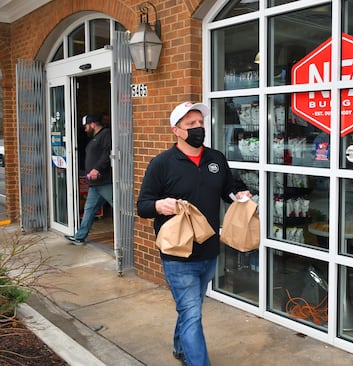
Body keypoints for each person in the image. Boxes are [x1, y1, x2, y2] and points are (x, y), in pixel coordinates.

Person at [137, 102, 251, 366]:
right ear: (176, 130)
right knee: (191, 313)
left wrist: (240, 194)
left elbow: (228, 189)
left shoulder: (216, 159)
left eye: (201, 123)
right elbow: (143, 205)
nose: (199, 128)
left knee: (191, 310)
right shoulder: (161, 164)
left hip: (209, 250)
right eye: (191, 125)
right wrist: (158, 205)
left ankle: (180, 347)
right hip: (178, 254)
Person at [65, 114, 113, 245]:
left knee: (118, 206)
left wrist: (97, 169)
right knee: (89, 209)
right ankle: (80, 236)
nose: (85, 129)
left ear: (93, 124)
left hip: (104, 182)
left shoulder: (105, 134)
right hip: (95, 184)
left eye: (86, 126)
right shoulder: (95, 137)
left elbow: (107, 154)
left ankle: (130, 233)